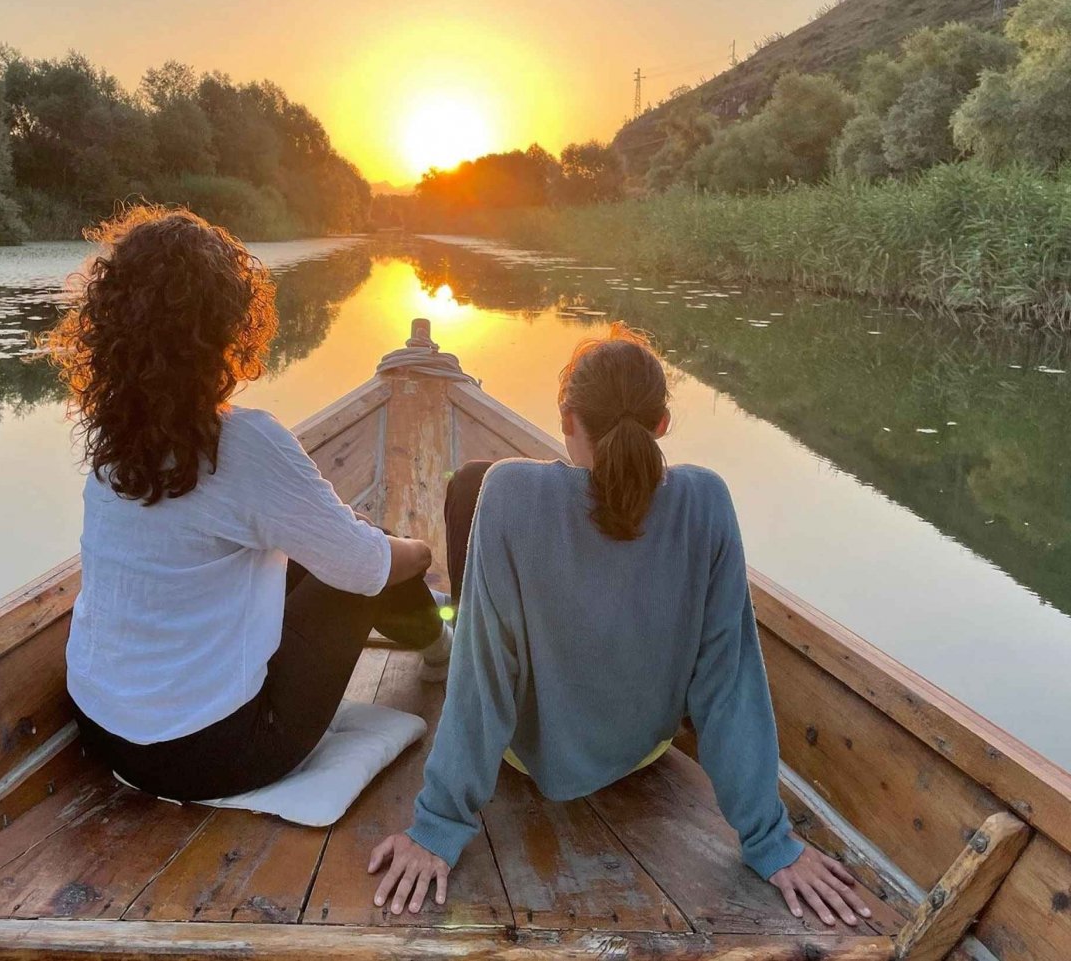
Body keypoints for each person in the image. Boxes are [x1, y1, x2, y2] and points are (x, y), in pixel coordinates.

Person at [366, 325, 871, 927]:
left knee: (472, 482)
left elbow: (484, 674)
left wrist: (438, 826)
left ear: (566, 419)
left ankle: (434, 652)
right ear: (662, 425)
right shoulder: (708, 500)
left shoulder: (510, 493)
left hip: (530, 759)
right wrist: (769, 839)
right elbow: (728, 682)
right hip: (643, 749)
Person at [47, 206, 452, 802]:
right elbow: (367, 568)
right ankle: (442, 652)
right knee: (364, 556)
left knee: (318, 548)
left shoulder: (113, 443)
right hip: (214, 755)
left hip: (103, 734)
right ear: (226, 326)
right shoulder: (245, 441)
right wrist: (413, 550)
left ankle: (432, 634)